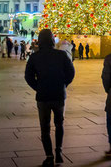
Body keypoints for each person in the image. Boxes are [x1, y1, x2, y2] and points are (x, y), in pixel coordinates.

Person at [25, 29, 75, 167]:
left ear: (40, 41)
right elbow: (71, 72)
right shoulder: (61, 55)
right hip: (59, 95)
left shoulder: (35, 57)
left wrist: (38, 86)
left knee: (45, 128)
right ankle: (59, 152)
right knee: (59, 125)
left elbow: (28, 77)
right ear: (53, 40)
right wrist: (63, 84)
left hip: (43, 97)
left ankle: (49, 156)